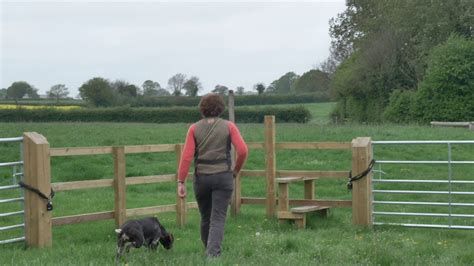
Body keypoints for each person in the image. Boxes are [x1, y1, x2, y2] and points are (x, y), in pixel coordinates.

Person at [177, 93, 248, 257]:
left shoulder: (194, 128)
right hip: (223, 177)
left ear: (202, 109)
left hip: (201, 178)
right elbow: (243, 150)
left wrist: (181, 181)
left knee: (205, 217)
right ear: (220, 108)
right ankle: (213, 255)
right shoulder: (229, 126)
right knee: (218, 218)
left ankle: (208, 249)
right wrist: (235, 171)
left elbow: (187, 157)